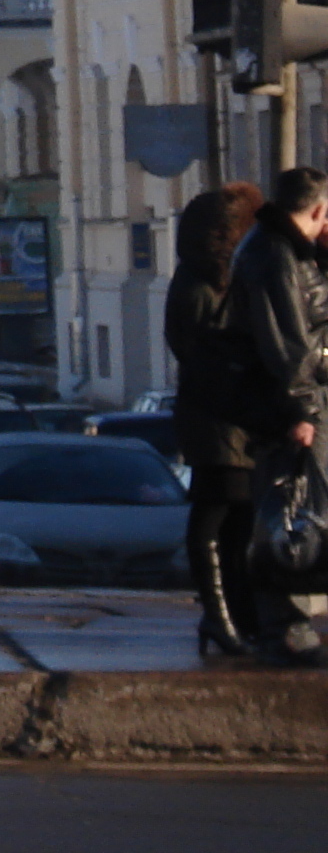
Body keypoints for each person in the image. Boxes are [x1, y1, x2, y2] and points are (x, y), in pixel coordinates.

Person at [229, 165, 328, 668]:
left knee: (300, 514)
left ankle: (287, 623)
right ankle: (284, 625)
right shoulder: (274, 255)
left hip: (296, 402)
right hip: (289, 408)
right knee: (289, 517)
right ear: (316, 209)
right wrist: (303, 411)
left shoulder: (290, 250)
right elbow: (289, 347)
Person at [165, 182, 264, 656]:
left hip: (226, 417)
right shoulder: (203, 284)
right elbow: (204, 354)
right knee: (217, 515)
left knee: (235, 520)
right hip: (220, 418)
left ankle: (235, 618)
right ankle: (220, 615)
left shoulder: (207, 279)